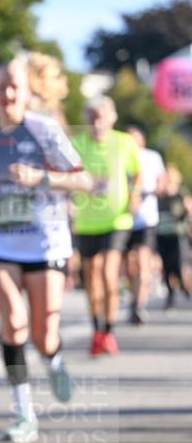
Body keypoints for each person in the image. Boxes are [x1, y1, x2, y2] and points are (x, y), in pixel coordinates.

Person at [0, 60, 93, 443]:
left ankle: (53, 360)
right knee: (13, 323)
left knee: (42, 335)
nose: (7, 94)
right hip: (0, 244)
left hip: (45, 242)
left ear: (26, 92)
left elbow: (85, 181)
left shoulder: (44, 130)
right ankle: (24, 413)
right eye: (2, 86)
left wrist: (41, 178)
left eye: (14, 87)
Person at [71, 97, 141, 355]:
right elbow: (68, 173)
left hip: (117, 219)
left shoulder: (124, 142)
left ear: (111, 119)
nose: (96, 122)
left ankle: (109, 330)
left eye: (101, 117)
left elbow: (137, 173)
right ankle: (97, 330)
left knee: (109, 273)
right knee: (91, 276)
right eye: (91, 117)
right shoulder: (76, 143)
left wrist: (135, 194)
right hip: (87, 220)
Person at [123, 126, 165, 325]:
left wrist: (151, 191)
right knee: (128, 265)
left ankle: (139, 304)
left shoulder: (152, 157)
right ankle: (132, 298)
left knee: (142, 261)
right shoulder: (121, 155)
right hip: (122, 218)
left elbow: (162, 182)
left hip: (146, 218)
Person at [156, 164, 191, 310]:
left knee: (179, 263)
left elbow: (188, 209)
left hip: (178, 234)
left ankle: (184, 286)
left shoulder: (180, 194)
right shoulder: (160, 195)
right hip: (162, 234)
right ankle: (171, 294)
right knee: (166, 265)